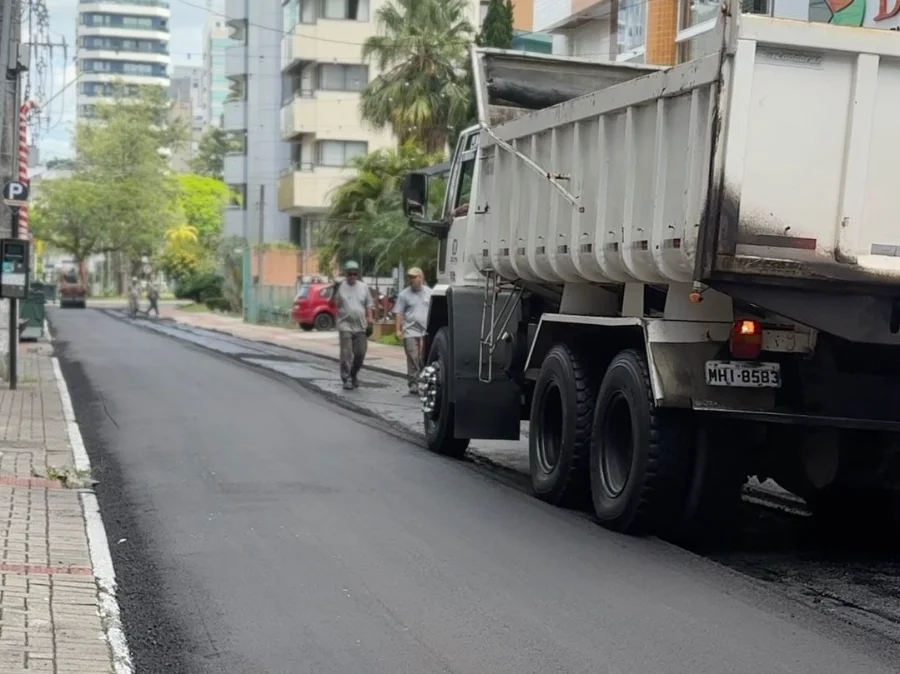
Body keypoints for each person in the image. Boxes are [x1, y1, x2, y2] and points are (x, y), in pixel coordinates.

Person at [330, 261, 374, 390]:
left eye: (355, 274)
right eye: (350, 274)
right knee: (346, 353)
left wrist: (370, 319)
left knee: (360, 353)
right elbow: (334, 304)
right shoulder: (341, 287)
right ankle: (346, 378)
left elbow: (369, 304)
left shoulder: (363, 287)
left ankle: (354, 373)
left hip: (360, 325)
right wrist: (334, 290)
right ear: (346, 274)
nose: (352, 276)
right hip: (345, 325)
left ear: (357, 274)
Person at [394, 267, 432, 395]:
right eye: (410, 277)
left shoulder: (429, 293)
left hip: (425, 331)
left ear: (421, 277)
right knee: (413, 356)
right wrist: (398, 330)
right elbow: (399, 313)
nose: (412, 280)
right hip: (410, 330)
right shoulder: (404, 294)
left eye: (414, 277)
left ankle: (422, 378)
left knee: (423, 358)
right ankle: (413, 383)